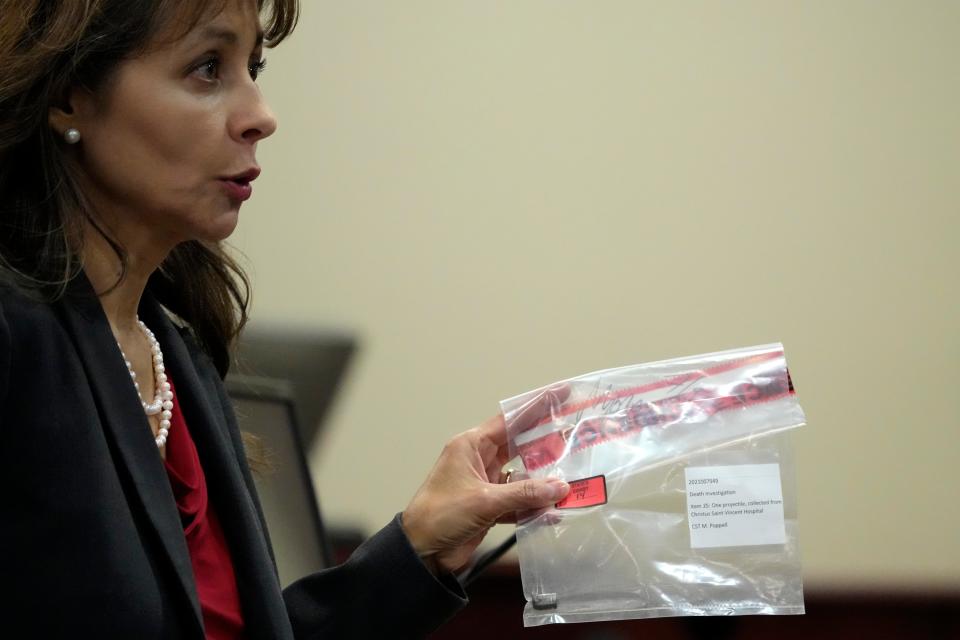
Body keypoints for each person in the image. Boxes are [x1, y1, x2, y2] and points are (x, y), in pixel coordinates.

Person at [0, 1, 570, 638]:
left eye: (255, 67)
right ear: (68, 95)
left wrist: (419, 549)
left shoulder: (176, 355)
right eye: (207, 68)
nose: (261, 116)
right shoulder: (17, 336)